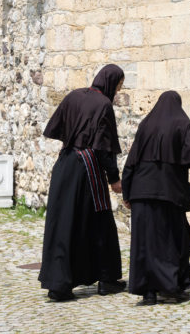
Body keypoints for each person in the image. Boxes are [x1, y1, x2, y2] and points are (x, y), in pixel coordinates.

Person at [38, 64, 127, 301]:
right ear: (110, 83)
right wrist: (114, 179)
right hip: (86, 169)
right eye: (118, 86)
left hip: (64, 165)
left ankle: (59, 284)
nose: (117, 92)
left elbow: (59, 128)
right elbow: (104, 148)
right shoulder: (103, 105)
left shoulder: (74, 95)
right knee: (100, 221)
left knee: (64, 223)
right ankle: (106, 278)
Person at [122, 90, 190, 305]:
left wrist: (127, 192)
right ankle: (171, 288)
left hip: (141, 192)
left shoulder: (146, 124)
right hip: (169, 192)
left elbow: (130, 162)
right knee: (173, 239)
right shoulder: (182, 123)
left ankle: (149, 292)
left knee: (145, 243)